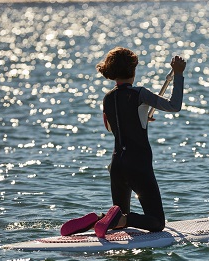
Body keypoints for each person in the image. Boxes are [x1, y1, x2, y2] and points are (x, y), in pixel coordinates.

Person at [60, 47, 186, 237]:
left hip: (117, 165)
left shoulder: (108, 98)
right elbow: (174, 106)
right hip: (138, 165)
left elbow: (111, 127)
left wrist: (141, 117)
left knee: (118, 218)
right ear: (133, 70)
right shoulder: (140, 93)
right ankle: (112, 219)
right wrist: (178, 74)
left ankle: (97, 219)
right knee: (157, 222)